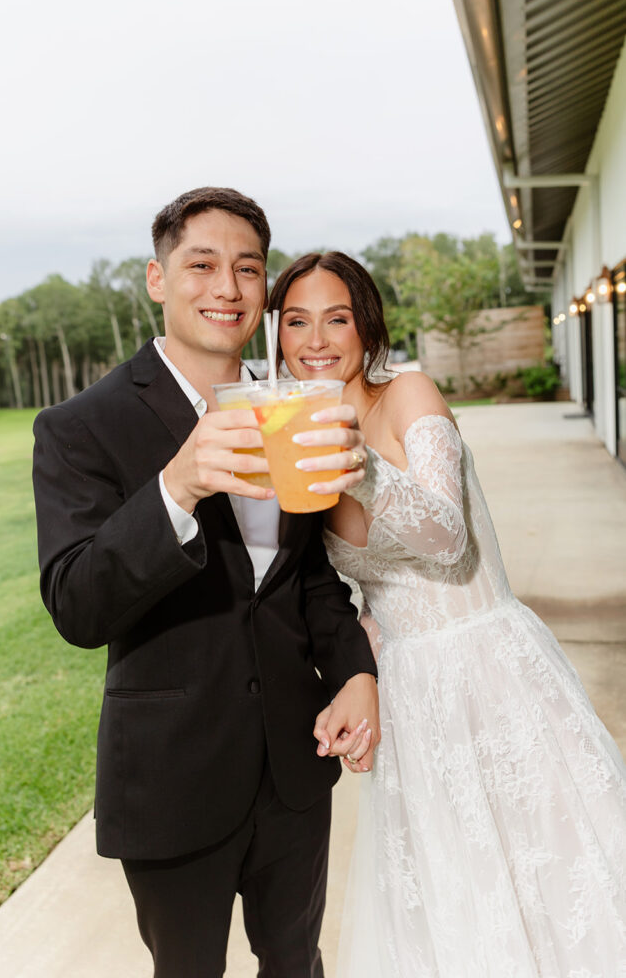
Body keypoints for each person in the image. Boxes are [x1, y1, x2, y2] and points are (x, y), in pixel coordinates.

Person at [32, 190, 380, 978]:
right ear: (157, 279)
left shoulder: (294, 407)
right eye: (201, 264)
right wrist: (177, 488)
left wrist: (356, 670)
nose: (226, 286)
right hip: (172, 779)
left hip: (293, 771)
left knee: (296, 962)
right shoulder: (80, 426)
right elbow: (77, 604)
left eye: (246, 268)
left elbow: (309, 580)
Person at [269, 250, 626, 976]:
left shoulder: (408, 396)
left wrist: (360, 468)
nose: (315, 340)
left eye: (335, 318)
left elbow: (445, 535)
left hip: (492, 672)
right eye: (297, 322)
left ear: (365, 327)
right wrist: (354, 683)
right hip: (411, 698)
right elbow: (375, 595)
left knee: (552, 874)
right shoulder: (294, 437)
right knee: (454, 893)